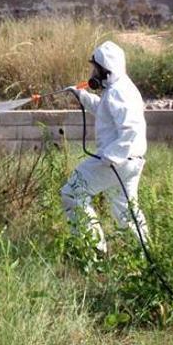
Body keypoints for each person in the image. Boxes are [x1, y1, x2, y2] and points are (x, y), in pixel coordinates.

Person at [61, 41, 149, 254]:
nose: (93, 73)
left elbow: (132, 129)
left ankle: (94, 250)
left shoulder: (119, 92)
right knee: (124, 209)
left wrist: (112, 156)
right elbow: (105, 111)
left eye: (95, 68)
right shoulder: (119, 88)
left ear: (105, 69)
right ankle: (143, 253)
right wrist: (81, 95)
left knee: (72, 192)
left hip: (117, 160)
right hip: (130, 161)